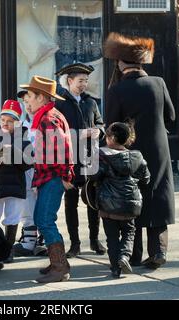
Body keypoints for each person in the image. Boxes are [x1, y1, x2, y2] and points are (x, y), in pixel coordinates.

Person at [104, 33, 176, 269]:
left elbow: (112, 125)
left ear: (121, 64)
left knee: (131, 199)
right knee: (157, 195)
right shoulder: (159, 82)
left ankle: (133, 255)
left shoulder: (117, 91)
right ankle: (158, 251)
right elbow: (171, 116)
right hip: (159, 148)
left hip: (130, 151)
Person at [19, 76, 74, 283]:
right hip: (47, 176)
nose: (27, 102)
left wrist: (66, 174)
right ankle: (58, 263)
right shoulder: (45, 115)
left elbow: (63, 149)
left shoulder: (48, 118)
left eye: (30, 97)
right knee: (42, 218)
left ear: (42, 98)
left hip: (52, 177)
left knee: (44, 220)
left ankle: (60, 267)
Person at [55, 62, 107, 258]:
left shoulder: (91, 102)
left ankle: (94, 240)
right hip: (69, 160)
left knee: (93, 201)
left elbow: (101, 122)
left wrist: (99, 130)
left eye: (86, 81)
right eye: (80, 81)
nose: (84, 84)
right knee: (70, 202)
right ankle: (74, 243)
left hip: (90, 158)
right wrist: (79, 133)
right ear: (69, 81)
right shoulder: (59, 103)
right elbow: (57, 132)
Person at [87, 122, 150, 278]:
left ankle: (116, 268)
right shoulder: (137, 157)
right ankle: (124, 256)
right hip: (130, 204)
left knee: (112, 237)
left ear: (111, 138)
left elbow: (92, 175)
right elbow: (146, 178)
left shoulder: (101, 155)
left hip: (107, 205)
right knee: (129, 232)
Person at [0, 100, 33, 263]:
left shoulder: (23, 140)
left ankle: (8, 250)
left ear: (17, 123)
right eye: (3, 120)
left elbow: (28, 164)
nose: (5, 123)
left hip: (15, 186)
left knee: (12, 217)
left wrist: (14, 152)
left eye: (10, 121)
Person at [13, 90, 47, 257]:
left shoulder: (46, 122)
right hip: (26, 170)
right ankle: (29, 239)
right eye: (24, 102)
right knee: (27, 203)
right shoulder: (20, 126)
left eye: (29, 100)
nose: (27, 105)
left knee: (44, 203)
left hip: (44, 169)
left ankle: (44, 239)